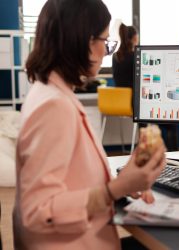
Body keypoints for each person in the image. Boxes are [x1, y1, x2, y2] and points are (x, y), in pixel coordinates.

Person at [13, 0, 166, 249]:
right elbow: (38, 212)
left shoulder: (49, 92)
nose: (106, 51)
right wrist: (115, 189)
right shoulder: (54, 107)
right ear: (82, 41)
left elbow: (69, 180)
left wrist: (126, 180)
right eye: (105, 41)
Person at [112, 23, 138, 88]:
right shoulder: (135, 56)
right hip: (133, 96)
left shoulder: (115, 56)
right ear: (135, 37)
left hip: (120, 96)